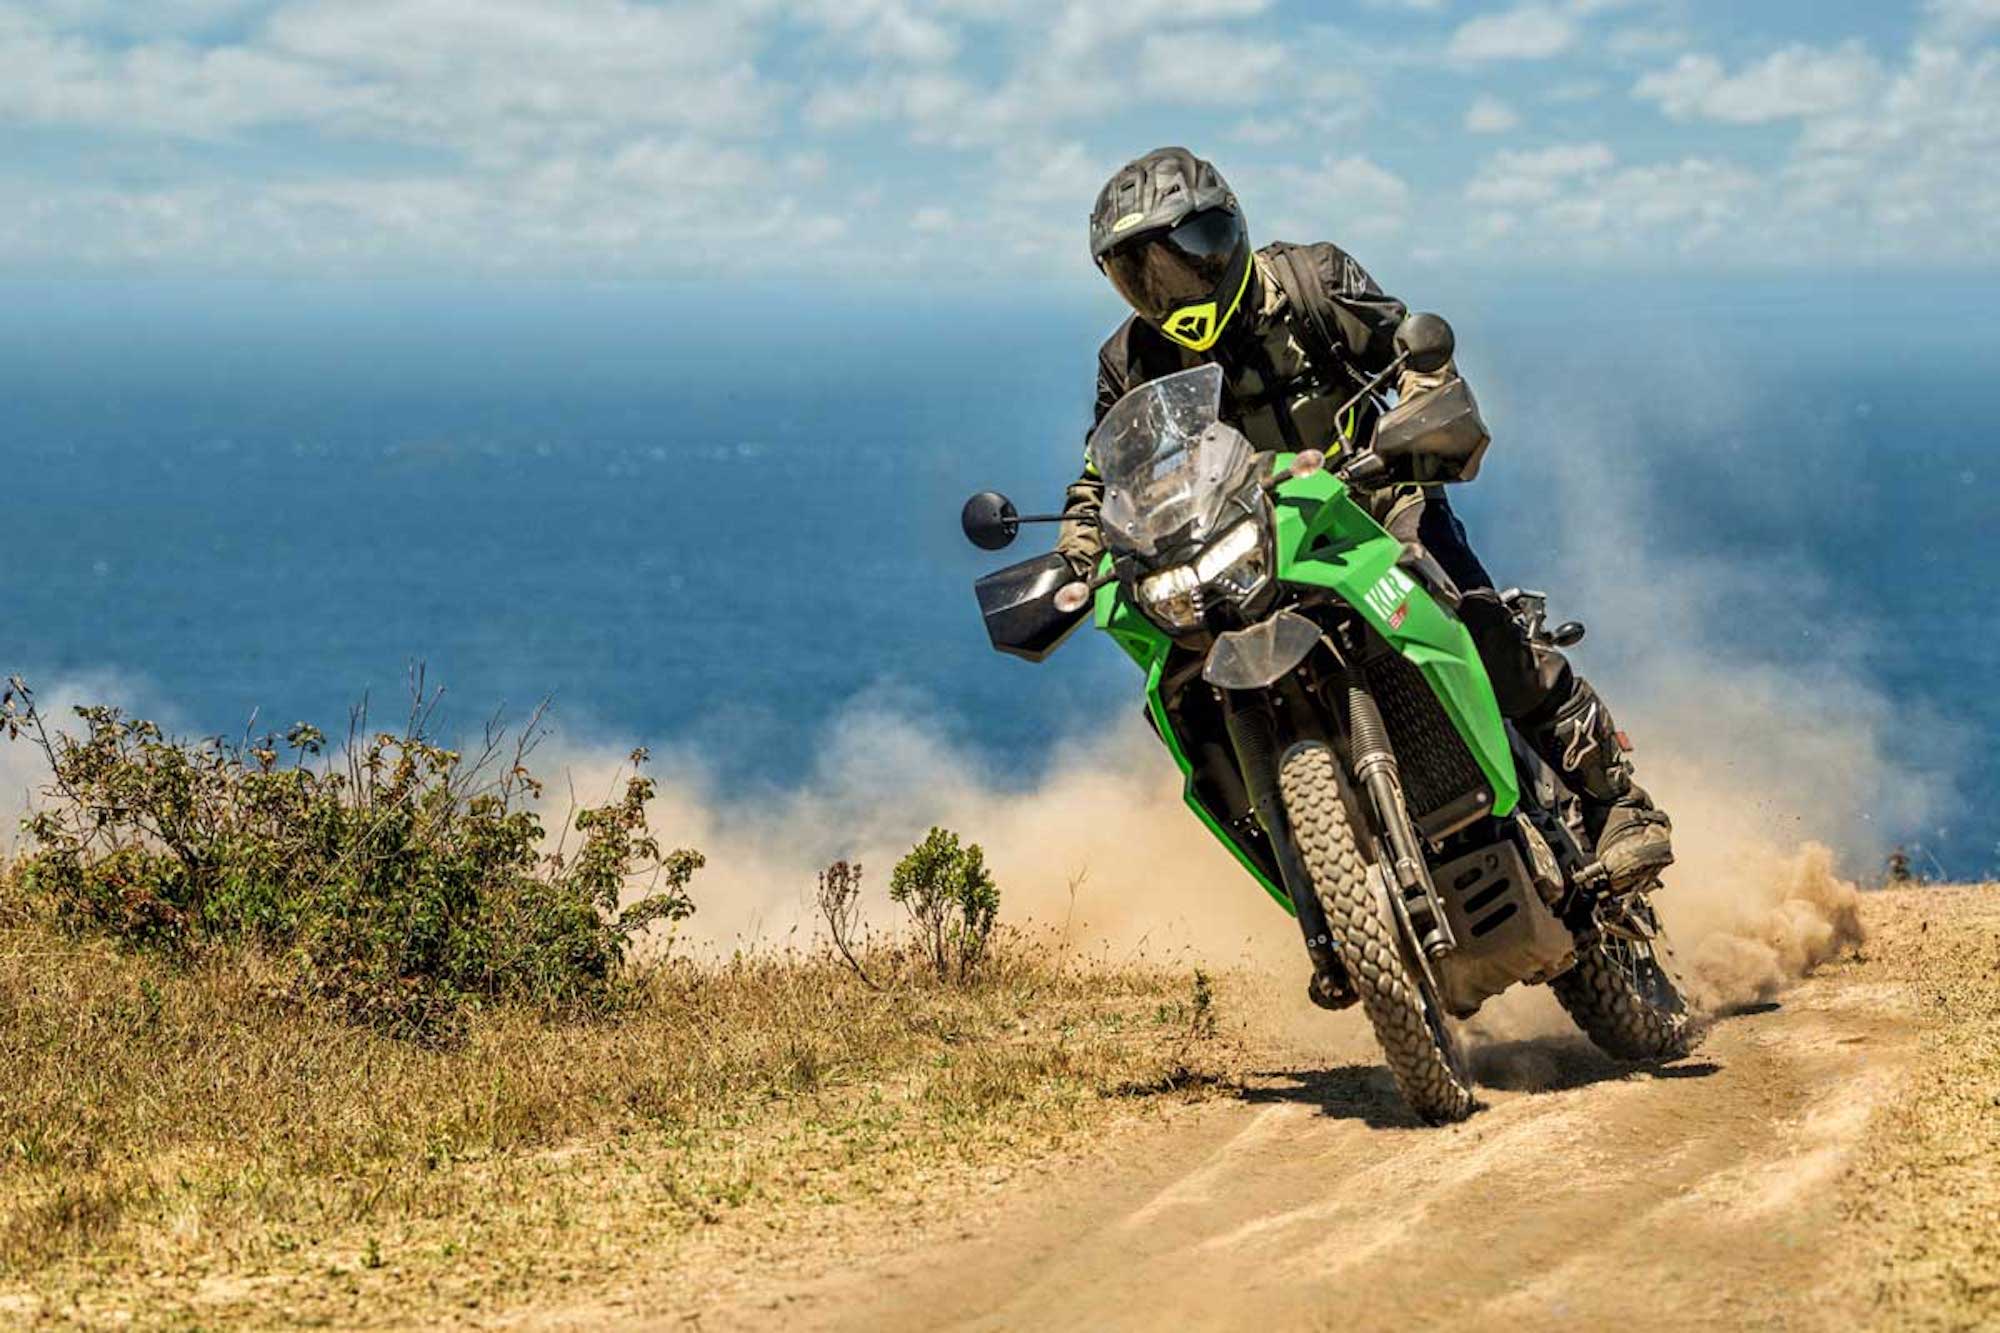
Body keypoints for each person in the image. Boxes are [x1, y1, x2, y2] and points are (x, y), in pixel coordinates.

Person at [1057, 146, 1673, 891]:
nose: (1166, 289)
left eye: (1178, 260)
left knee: (1474, 617)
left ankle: (1617, 802)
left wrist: (1420, 404)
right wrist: (1076, 550)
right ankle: (1325, 877)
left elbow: (1413, 348)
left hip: (1373, 502)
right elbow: (1102, 473)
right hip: (1250, 548)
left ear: (1222, 235)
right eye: (1139, 274)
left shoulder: (1312, 280)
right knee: (1186, 689)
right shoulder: (1132, 359)